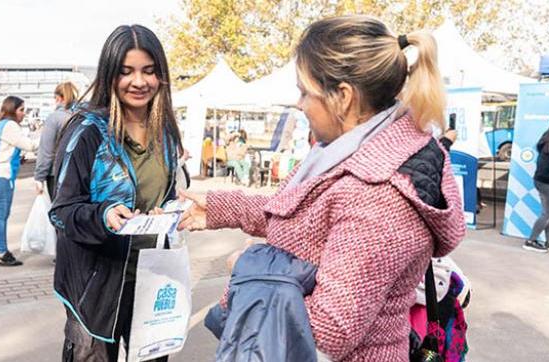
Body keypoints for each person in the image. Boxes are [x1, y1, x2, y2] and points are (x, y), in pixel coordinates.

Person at [179, 15, 466, 361]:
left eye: (304, 91)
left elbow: (329, 330)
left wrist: (249, 267)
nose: (299, 104)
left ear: (343, 96)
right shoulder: (348, 152)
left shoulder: (379, 197)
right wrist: (220, 207)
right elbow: (299, 215)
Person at [50, 24, 183, 362]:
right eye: (126, 72)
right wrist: (103, 214)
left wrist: (169, 209)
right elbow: (62, 211)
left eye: (149, 71)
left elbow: (166, 190)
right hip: (96, 284)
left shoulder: (165, 131)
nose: (139, 82)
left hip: (152, 278)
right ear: (110, 74)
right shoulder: (86, 131)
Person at [0, 96, 38, 266]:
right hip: (0, 176)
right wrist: (50, 137)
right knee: (1, 215)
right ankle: (2, 252)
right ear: (12, 110)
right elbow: (30, 145)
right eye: (21, 110)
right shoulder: (10, 125)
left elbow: (3, 151)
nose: (24, 114)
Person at [34, 81, 79, 199]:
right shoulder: (82, 116)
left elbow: (46, 151)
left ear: (58, 98)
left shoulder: (54, 118)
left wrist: (39, 177)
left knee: (59, 214)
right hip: (80, 174)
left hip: (57, 175)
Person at [523, 121, 549, 253]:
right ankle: (530, 241)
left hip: (541, 180)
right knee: (548, 213)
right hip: (548, 182)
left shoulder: (546, 139)